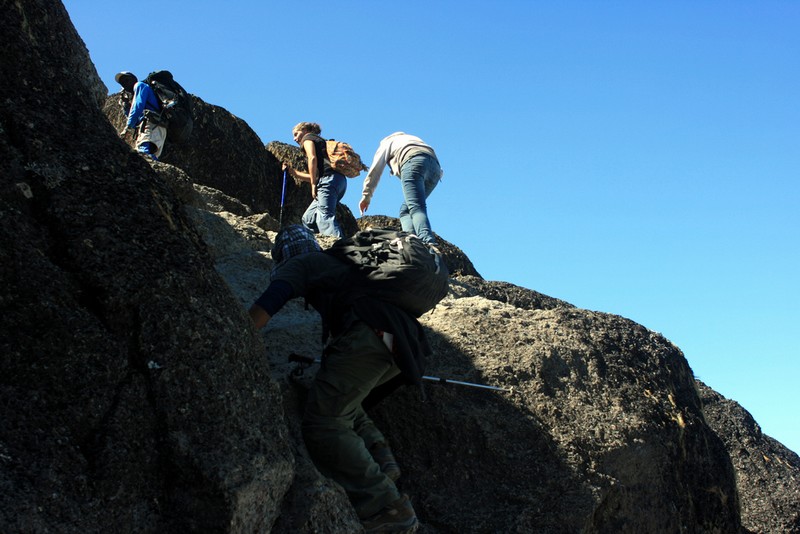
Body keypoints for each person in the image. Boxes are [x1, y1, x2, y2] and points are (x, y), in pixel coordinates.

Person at [249, 225, 428, 533]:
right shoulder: (343, 266)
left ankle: (387, 506)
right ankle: (380, 457)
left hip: (369, 335)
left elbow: (268, 304)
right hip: (402, 343)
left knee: (325, 422)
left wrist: (233, 337)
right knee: (343, 399)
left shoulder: (301, 264)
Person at [359, 132, 443, 246]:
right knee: (406, 210)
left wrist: (366, 197)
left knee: (416, 207)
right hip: (435, 170)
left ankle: (426, 243)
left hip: (413, 161)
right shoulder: (412, 138)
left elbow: (375, 170)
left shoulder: (387, 142)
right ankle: (412, 240)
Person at [282, 122, 347, 238]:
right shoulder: (321, 144)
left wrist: (313, 185)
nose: (294, 138)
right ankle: (319, 244)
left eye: (296, 134)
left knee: (325, 216)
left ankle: (339, 248)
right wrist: (293, 172)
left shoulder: (308, 139)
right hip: (337, 181)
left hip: (328, 181)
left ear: (305, 130)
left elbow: (312, 158)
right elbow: (315, 177)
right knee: (308, 219)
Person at [114, 71, 167, 160]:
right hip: (156, 126)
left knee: (144, 154)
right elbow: (136, 115)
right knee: (148, 156)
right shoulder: (138, 91)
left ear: (134, 79)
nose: (125, 84)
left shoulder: (139, 85)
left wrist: (128, 126)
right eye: (122, 83)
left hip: (151, 125)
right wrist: (125, 105)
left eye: (127, 80)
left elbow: (138, 106)